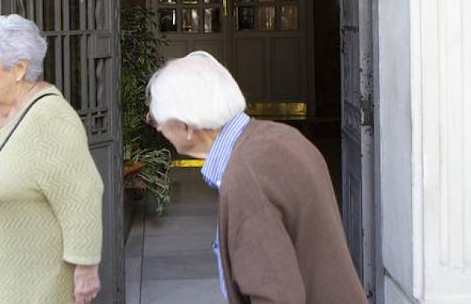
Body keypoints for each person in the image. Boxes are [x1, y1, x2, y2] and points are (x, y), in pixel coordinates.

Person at [146, 50, 368, 304]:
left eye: (157, 120)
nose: (159, 128)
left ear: (187, 126)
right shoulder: (280, 136)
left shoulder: (246, 175)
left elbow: (274, 296)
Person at [0, 14, 103, 304]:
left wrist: (86, 267)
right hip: (4, 276)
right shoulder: (0, 111)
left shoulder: (50, 117)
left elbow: (81, 193)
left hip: (42, 283)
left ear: (19, 68)